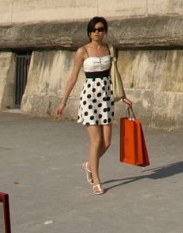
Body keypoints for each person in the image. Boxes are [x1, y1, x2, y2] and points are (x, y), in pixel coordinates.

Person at [55, 15, 132, 193]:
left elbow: (115, 74)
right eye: (94, 30)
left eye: (101, 29)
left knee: (107, 142)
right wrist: (63, 102)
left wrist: (123, 96)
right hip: (90, 97)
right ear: (89, 32)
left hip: (106, 96)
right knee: (96, 141)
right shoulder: (83, 51)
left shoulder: (109, 49)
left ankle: (89, 165)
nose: (97, 33)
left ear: (104, 32)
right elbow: (73, 77)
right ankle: (97, 181)